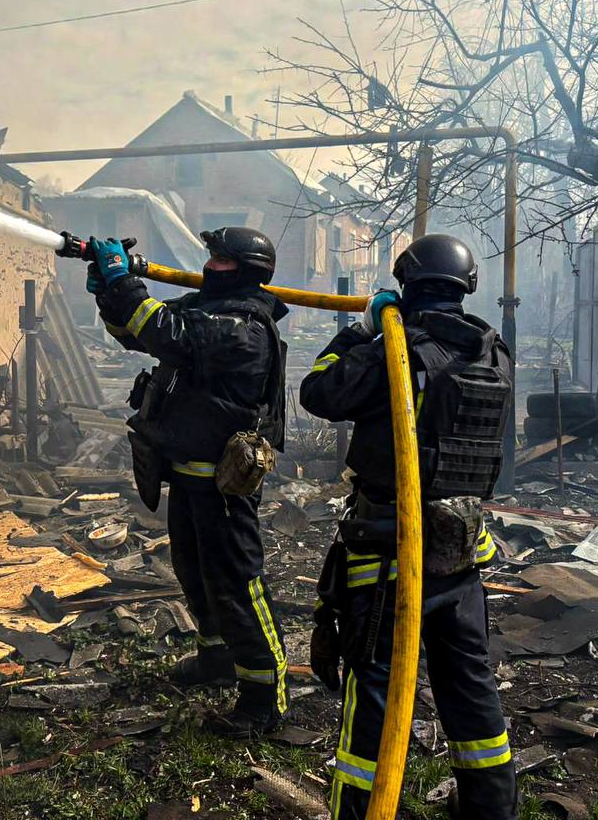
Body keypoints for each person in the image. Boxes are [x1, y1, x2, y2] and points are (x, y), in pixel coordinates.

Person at [299, 233, 516, 820]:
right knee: (471, 688)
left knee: (372, 696)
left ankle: (361, 811)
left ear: (406, 285)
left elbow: (317, 391)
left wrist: (364, 328)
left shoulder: (398, 349)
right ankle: (492, 810)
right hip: (464, 550)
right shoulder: (493, 352)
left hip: (392, 554)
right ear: (466, 286)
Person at [85, 227, 290, 736]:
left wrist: (123, 281)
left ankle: (265, 695)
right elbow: (136, 332)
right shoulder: (205, 310)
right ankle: (216, 660)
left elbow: (162, 329)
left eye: (220, 259)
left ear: (244, 269)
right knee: (194, 574)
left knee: (239, 585)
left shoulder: (242, 326)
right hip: (187, 474)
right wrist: (110, 293)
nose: (210, 265)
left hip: (222, 486)